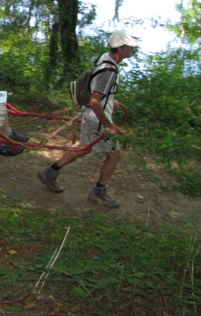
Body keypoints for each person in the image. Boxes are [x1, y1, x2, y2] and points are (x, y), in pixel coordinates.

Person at [37, 31, 139, 208]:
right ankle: (99, 192)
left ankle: (50, 173)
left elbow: (96, 91)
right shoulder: (110, 70)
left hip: (91, 114)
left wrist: (109, 101)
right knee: (115, 154)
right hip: (98, 119)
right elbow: (94, 100)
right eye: (130, 46)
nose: (132, 49)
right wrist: (109, 125)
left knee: (84, 148)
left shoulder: (105, 58)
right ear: (121, 48)